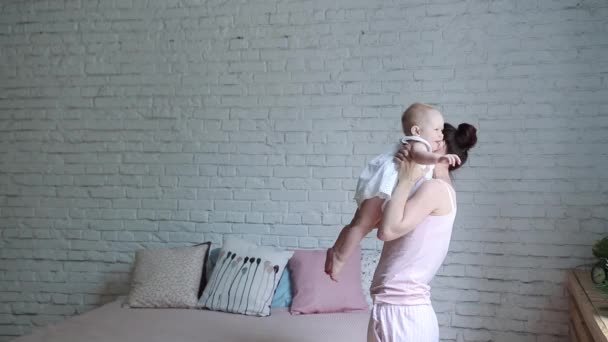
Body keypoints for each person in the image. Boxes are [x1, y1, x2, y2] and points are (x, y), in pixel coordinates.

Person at [325, 103, 461, 281]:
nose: (440, 135)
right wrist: (438, 157)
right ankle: (339, 257)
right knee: (360, 226)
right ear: (417, 130)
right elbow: (420, 157)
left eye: (442, 132)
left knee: (357, 225)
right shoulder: (418, 144)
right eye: (436, 130)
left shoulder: (436, 186)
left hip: (386, 190)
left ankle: (336, 250)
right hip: (385, 189)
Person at [367, 122, 477, 341]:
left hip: (403, 314)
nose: (414, 146)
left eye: (424, 142)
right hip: (394, 308)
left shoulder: (435, 189)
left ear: (439, 148)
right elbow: (381, 223)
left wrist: (407, 178)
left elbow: (387, 231)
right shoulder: (431, 188)